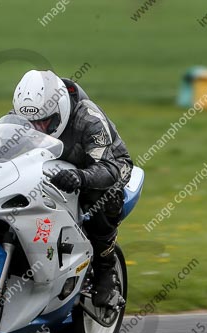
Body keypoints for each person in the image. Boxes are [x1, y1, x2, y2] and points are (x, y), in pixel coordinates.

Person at [13, 69, 133, 308]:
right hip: (53, 166)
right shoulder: (22, 115)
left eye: (44, 121)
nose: (38, 128)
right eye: (31, 123)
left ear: (59, 110)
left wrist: (80, 176)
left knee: (101, 196)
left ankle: (106, 270)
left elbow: (109, 167)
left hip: (104, 166)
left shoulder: (88, 118)